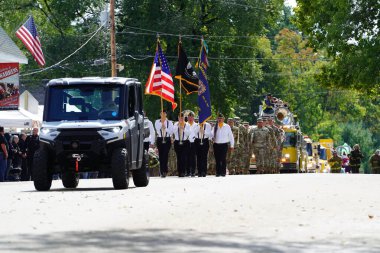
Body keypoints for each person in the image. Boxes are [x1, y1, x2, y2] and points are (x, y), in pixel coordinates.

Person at [155, 110, 173, 178]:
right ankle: (161, 170)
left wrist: (165, 128)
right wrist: (161, 124)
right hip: (160, 138)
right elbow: (157, 129)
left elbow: (171, 132)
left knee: (165, 155)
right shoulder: (157, 121)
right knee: (160, 155)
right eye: (161, 113)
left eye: (164, 113)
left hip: (167, 139)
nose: (162, 114)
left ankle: (164, 171)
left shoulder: (169, 122)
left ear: (166, 114)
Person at [172, 113, 191, 177]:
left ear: (184, 118)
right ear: (178, 118)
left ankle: (184, 171)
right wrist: (178, 126)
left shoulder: (187, 124)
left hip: (185, 142)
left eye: (182, 118)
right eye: (180, 118)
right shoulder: (175, 124)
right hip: (177, 142)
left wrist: (183, 128)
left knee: (184, 157)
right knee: (179, 157)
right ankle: (179, 172)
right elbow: (173, 131)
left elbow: (188, 133)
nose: (181, 119)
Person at [186, 111, 197, 177]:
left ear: (193, 118)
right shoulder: (185, 124)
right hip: (187, 142)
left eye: (191, 117)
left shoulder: (196, 125)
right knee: (187, 157)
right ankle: (187, 172)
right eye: (189, 117)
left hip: (194, 142)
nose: (190, 118)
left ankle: (193, 172)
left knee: (193, 158)